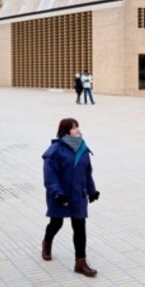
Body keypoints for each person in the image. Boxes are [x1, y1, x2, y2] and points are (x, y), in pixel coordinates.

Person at [41, 117, 100, 277]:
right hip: (61, 194)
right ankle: (47, 242)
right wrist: (58, 194)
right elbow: (50, 177)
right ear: (66, 131)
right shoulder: (55, 150)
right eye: (74, 128)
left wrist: (92, 190)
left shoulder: (82, 148)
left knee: (80, 227)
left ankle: (80, 263)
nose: (78, 130)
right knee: (56, 223)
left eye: (77, 127)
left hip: (78, 194)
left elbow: (87, 172)